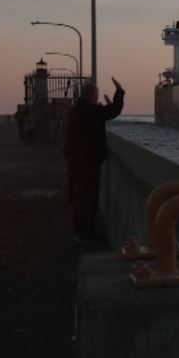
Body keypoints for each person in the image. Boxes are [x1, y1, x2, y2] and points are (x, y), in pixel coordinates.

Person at [63, 77, 125, 242]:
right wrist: (119, 91)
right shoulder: (90, 110)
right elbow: (113, 111)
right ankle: (84, 233)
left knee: (79, 197)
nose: (98, 97)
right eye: (96, 94)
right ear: (92, 95)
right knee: (87, 197)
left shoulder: (76, 110)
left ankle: (81, 231)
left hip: (76, 160)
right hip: (88, 162)